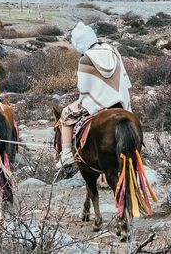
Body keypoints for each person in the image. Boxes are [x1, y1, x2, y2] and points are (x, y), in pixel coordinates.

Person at [57, 21, 132, 171]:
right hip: (121, 102)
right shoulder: (113, 50)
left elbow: (83, 89)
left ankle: (66, 154)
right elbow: (125, 79)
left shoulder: (85, 60)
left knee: (66, 114)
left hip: (98, 105)